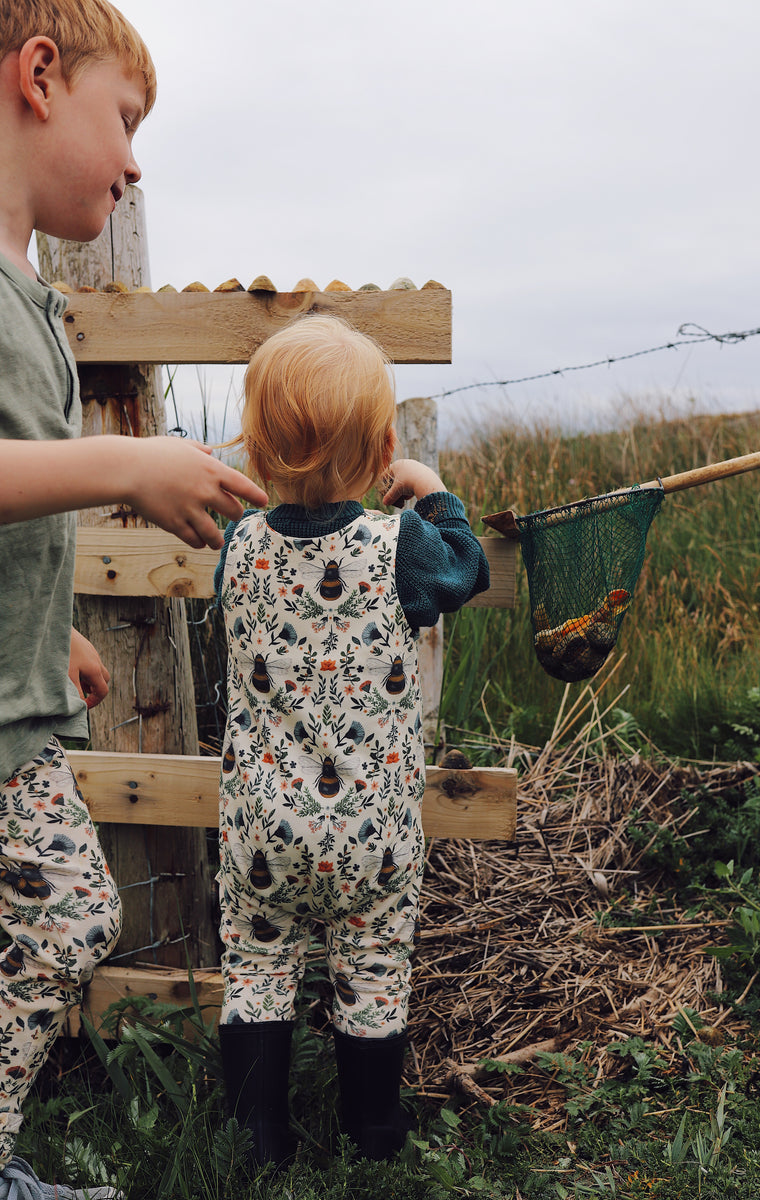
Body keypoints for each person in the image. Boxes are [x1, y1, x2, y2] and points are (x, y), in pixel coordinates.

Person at [0, 4, 269, 1196]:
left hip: (18, 696)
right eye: (127, 117)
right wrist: (127, 461)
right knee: (61, 917)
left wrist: (47, 628)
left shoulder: (30, 298)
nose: (135, 158)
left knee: (55, 917)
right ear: (40, 77)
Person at [214, 313, 491, 1169]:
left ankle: (256, 1140)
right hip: (370, 831)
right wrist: (432, 490)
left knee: (257, 968)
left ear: (254, 452)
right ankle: (373, 1137)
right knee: (372, 967)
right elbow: (467, 567)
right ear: (381, 450)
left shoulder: (239, 546)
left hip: (261, 827)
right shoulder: (399, 542)